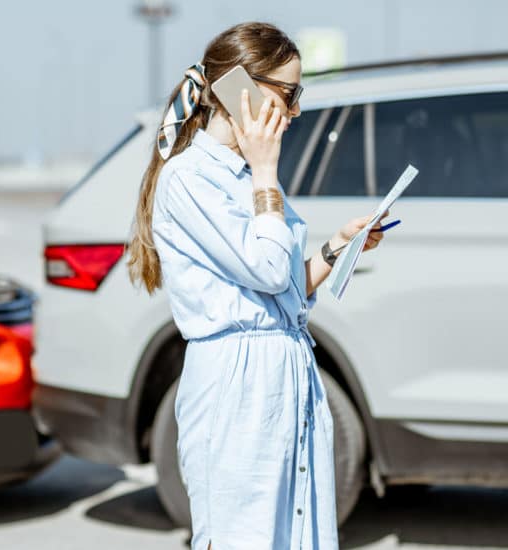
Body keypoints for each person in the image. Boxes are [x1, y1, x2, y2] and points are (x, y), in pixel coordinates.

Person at [126, 22, 387, 550]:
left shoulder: (247, 175)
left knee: (297, 533)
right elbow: (265, 270)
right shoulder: (190, 178)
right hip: (236, 384)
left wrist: (337, 247)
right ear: (239, 89)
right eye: (288, 95)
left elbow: (284, 290)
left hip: (284, 368)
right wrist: (266, 173)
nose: (293, 112)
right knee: (243, 535)